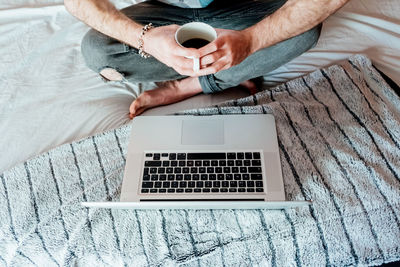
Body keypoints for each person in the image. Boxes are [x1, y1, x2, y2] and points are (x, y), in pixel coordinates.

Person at [64, 0, 349, 118]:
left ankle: (191, 84)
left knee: (305, 31)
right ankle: (235, 70)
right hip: (166, 14)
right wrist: (147, 40)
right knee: (99, 50)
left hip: (246, 7)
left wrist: (252, 40)